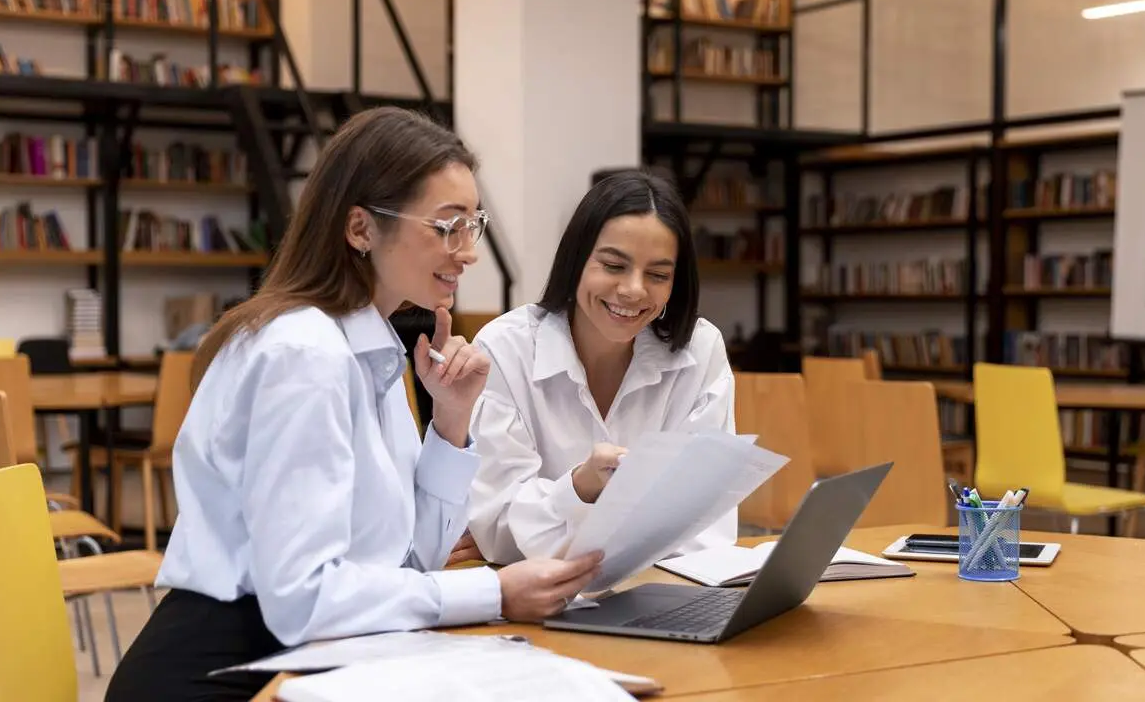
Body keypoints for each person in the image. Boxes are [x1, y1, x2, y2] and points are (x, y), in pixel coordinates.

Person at [104, 108, 602, 702]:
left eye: (474, 225)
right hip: (223, 675)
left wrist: (449, 422)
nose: (467, 252)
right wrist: (496, 593)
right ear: (361, 229)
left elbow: (412, 560)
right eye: (447, 226)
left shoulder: (370, 345)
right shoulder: (304, 353)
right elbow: (303, 600)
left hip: (312, 658)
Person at [460, 169, 738, 566]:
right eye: (613, 266)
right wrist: (579, 487)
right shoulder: (504, 350)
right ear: (576, 261)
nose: (633, 290)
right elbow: (499, 529)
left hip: (663, 594)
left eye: (658, 275)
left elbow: (705, 529)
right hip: (542, 603)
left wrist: (543, 524)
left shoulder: (700, 349)